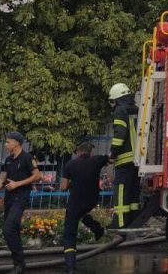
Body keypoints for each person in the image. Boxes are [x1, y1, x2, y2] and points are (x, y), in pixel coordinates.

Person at [0, 132, 42, 274]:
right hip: (9, 198)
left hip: (20, 197)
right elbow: (2, 180)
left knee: (8, 229)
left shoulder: (27, 158)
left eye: (8, 142)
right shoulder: (9, 160)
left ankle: (19, 264)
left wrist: (18, 184)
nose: (6, 145)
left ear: (16, 143)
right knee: (12, 231)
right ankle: (19, 264)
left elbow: (37, 175)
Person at [59, 142, 108, 273]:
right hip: (91, 201)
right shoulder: (96, 160)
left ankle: (70, 267)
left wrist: (73, 183)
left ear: (78, 152)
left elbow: (63, 187)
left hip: (75, 203)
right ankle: (97, 229)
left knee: (69, 236)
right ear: (90, 152)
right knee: (83, 214)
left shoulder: (70, 165)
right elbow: (111, 158)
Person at [107, 83, 140, 229]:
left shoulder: (120, 111)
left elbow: (120, 134)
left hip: (124, 159)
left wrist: (113, 153)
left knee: (121, 192)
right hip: (138, 159)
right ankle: (133, 222)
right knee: (133, 193)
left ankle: (119, 224)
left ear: (117, 99)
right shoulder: (137, 109)